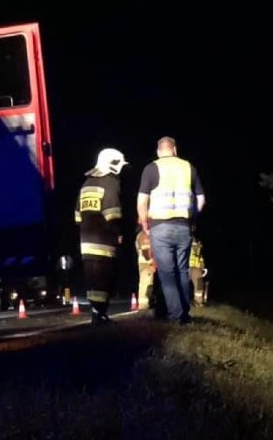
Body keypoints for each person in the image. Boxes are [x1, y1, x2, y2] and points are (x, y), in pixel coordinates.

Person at [136, 136, 206, 325]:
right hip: (184, 226)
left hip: (160, 226)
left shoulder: (151, 168)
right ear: (175, 149)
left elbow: (141, 200)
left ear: (159, 151)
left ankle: (177, 315)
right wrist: (193, 219)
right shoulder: (188, 167)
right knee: (183, 270)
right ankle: (185, 312)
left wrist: (144, 223)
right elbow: (201, 199)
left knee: (167, 273)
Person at [75, 148, 127, 324]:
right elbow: (112, 211)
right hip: (104, 239)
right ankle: (100, 315)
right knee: (104, 278)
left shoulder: (86, 184)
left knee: (92, 279)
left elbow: (77, 215)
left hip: (86, 240)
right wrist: (118, 232)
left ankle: (96, 313)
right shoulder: (110, 182)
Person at [135, 225, 155, 310]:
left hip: (145, 262)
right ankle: (144, 306)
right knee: (147, 283)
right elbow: (145, 250)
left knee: (146, 283)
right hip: (146, 263)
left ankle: (146, 304)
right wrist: (151, 263)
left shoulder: (142, 234)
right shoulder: (144, 235)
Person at [189, 228, 208, 306]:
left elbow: (200, 255)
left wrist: (203, 266)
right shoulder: (188, 240)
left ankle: (198, 302)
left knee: (199, 285)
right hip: (188, 266)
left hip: (196, 267)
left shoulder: (199, 240)